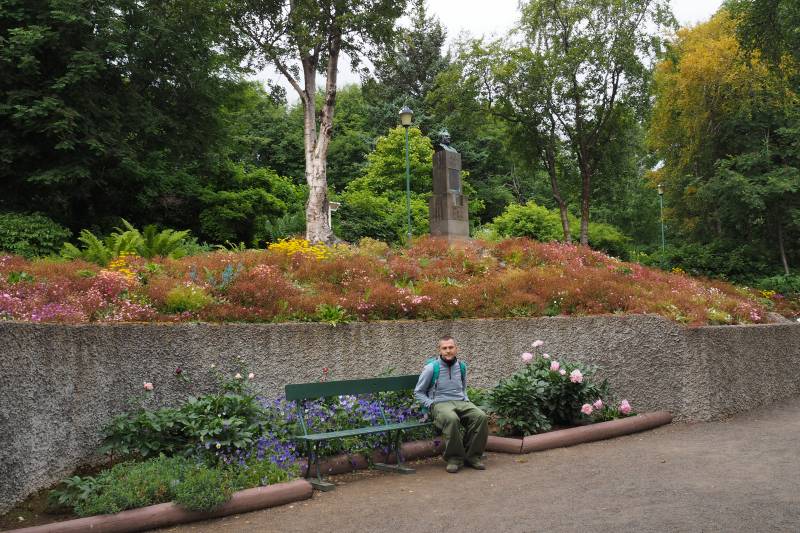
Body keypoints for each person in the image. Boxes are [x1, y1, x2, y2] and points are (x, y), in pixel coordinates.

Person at [414, 335, 489, 473]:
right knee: (451, 418)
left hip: (461, 401)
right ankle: (455, 458)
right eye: (444, 348)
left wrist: (466, 399)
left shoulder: (461, 366)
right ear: (440, 350)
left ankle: (473, 457)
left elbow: (463, 387)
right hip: (440, 403)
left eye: (451, 347)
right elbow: (418, 392)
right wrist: (431, 404)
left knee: (481, 416)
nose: (448, 351)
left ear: (456, 349)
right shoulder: (431, 368)